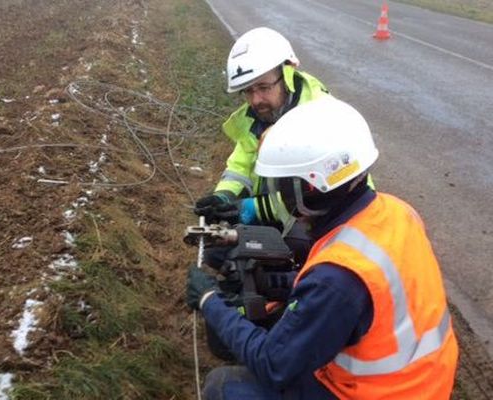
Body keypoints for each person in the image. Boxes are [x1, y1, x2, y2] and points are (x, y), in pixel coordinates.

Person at [186, 97, 458, 399]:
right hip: (422, 381)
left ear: (309, 188)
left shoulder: (337, 277)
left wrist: (210, 301)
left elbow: (273, 364)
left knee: (224, 387)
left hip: (375, 392)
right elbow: (356, 298)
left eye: (283, 187)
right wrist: (272, 284)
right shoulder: (396, 212)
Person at [194, 26, 330, 227]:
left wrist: (251, 209)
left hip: (325, 223)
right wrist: (223, 196)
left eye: (264, 88)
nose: (256, 100)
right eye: (248, 91)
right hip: (279, 214)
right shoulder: (257, 119)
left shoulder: (320, 116)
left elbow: (318, 200)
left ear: (287, 74)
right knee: (220, 253)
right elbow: (240, 168)